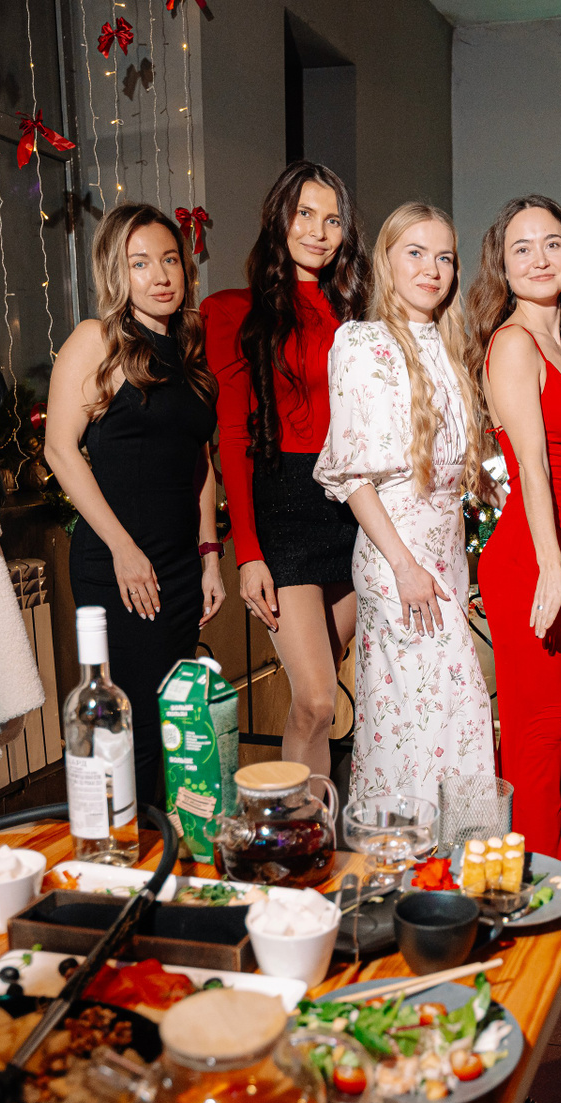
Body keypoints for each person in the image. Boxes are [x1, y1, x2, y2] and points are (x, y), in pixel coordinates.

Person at [46, 204, 224, 813]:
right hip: (116, 565)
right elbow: (60, 450)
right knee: (134, 732)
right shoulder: (96, 341)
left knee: (175, 729)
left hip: (178, 567)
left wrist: (209, 557)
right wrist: (123, 549)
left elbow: (200, 462)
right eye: (140, 263)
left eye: (170, 260)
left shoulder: (189, 352)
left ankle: (165, 848)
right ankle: (123, 852)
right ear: (116, 272)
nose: (161, 276)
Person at [314, 203, 497, 794]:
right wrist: (404, 567)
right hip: (396, 559)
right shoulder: (361, 342)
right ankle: (412, 846)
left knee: (445, 721)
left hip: (444, 559)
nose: (432, 269)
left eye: (444, 257)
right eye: (415, 253)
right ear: (386, 261)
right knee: (417, 724)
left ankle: (447, 846)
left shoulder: (451, 346)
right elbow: (352, 477)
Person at [205, 162, 370, 781]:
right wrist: (248, 555)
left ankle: (310, 820)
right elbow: (232, 436)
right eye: (305, 214)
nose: (319, 233)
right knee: (317, 699)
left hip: (352, 507)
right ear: (279, 217)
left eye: (333, 220)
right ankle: (299, 827)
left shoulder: (358, 315)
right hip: (283, 509)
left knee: (324, 691)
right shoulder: (232, 312)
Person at [470, 196, 561, 861]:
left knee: (547, 734)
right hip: (532, 556)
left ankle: (545, 881)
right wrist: (551, 565)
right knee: (538, 738)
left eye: (552, 243)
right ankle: (542, 893)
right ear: (503, 265)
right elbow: (531, 464)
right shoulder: (514, 342)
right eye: (522, 248)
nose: (540, 259)